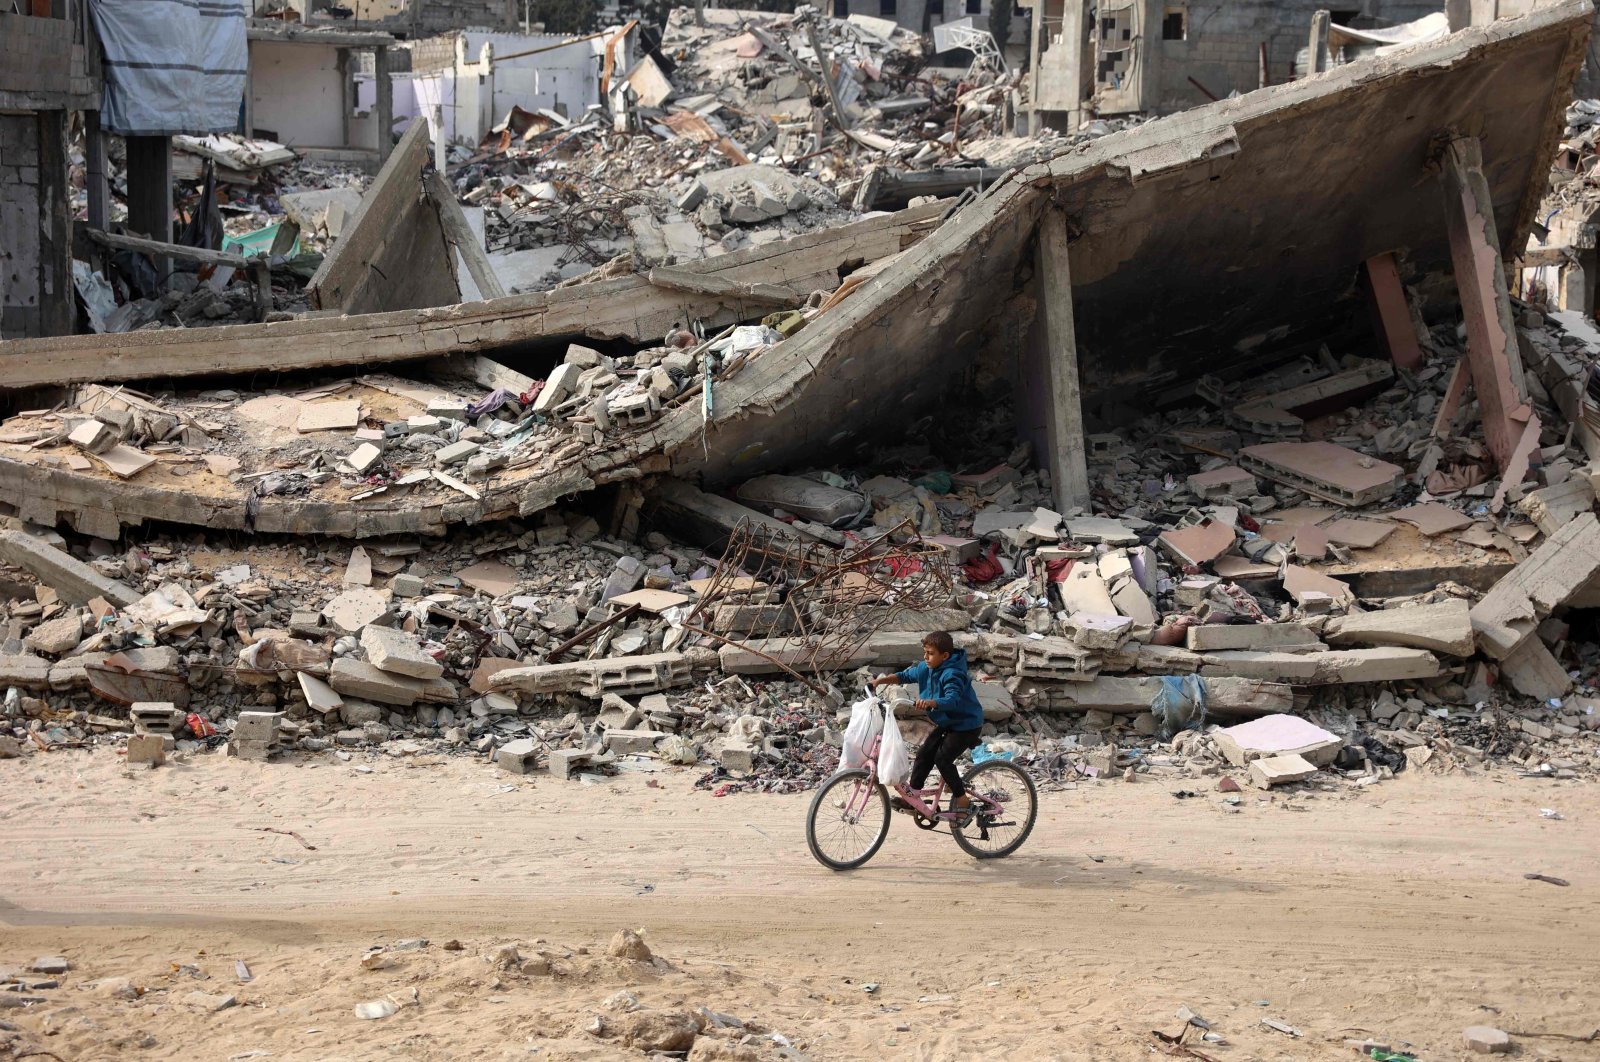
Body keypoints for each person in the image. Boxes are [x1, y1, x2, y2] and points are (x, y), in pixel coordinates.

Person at [871, 631, 985, 815]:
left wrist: (933, 702)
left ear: (945, 656)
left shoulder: (953, 674)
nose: (925, 657)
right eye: (924, 652)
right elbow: (905, 676)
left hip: (966, 725)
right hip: (948, 723)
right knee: (925, 753)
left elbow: (952, 700)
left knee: (942, 758)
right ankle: (913, 795)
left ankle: (962, 798)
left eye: (930, 653)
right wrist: (880, 681)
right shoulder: (927, 668)